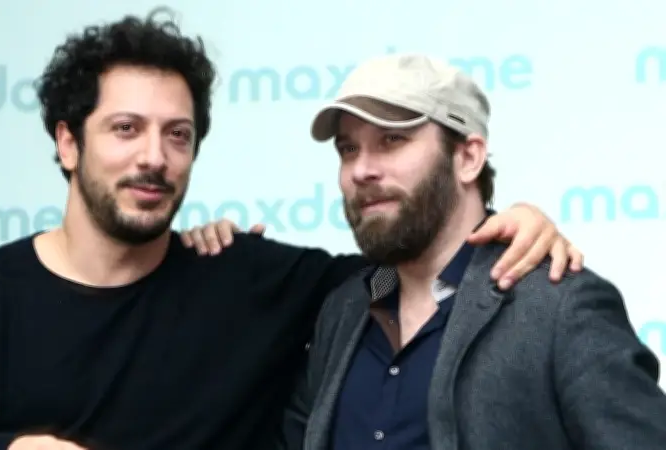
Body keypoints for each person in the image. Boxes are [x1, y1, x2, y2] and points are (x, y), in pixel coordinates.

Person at [0, 10, 583, 450]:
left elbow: (418, 260)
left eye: (178, 134)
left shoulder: (246, 277)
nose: (154, 157)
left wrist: (508, 221)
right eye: (125, 129)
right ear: (68, 142)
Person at [265, 53, 666, 450]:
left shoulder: (560, 307)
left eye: (392, 140)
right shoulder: (344, 309)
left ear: (469, 158)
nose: (361, 170)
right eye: (348, 149)